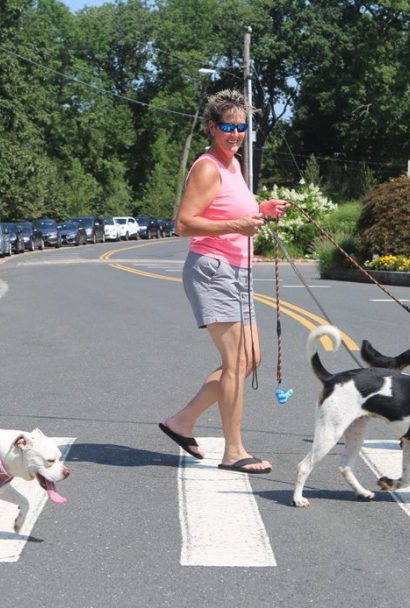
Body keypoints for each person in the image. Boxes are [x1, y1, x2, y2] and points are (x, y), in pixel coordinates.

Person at [159, 89, 289, 474]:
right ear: (212, 127)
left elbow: (232, 208)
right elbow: (184, 223)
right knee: (234, 361)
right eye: (228, 127)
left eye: (241, 127)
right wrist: (238, 224)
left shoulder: (233, 165)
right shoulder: (207, 166)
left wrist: (260, 210)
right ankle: (233, 451)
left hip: (237, 270)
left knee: (251, 359)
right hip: (213, 270)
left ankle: (181, 421)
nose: (235, 133)